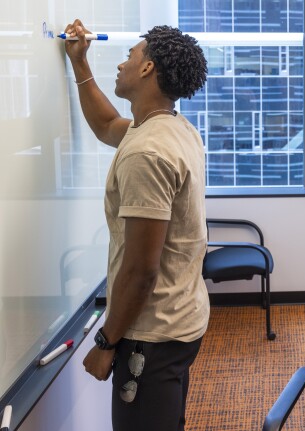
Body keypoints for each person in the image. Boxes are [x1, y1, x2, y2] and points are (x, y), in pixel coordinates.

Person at [63, 19, 209, 431]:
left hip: (152, 333)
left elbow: (141, 270)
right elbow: (108, 126)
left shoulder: (147, 153)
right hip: (181, 318)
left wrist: (106, 342)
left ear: (147, 69)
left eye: (130, 55)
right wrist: (80, 64)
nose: (123, 63)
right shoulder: (173, 128)